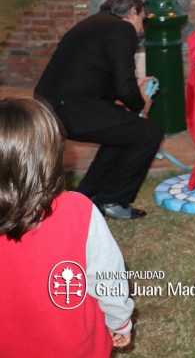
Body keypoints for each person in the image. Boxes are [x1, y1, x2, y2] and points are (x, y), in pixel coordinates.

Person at [0, 97, 134, 357]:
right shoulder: (78, 210)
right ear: (49, 157)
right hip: (74, 347)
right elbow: (107, 277)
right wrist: (120, 320)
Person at [34, 0, 162, 220]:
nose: (142, 27)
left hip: (54, 105)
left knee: (123, 130)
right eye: (143, 18)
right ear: (133, 12)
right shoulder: (122, 29)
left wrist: (132, 87)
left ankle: (86, 195)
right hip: (71, 108)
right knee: (150, 133)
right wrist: (141, 102)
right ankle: (113, 200)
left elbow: (97, 76)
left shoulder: (92, 24)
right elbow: (123, 88)